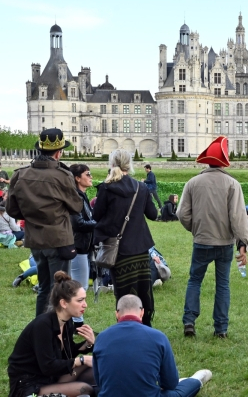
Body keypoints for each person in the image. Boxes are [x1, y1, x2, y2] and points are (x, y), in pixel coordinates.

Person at [179, 136, 248, 337]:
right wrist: (243, 244)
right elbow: (238, 217)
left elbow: (182, 214)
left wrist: (195, 228)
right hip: (224, 243)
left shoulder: (193, 182)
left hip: (202, 240)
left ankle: (189, 321)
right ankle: (221, 328)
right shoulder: (232, 184)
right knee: (223, 284)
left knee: (195, 280)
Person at [6, 127, 83, 316]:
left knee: (44, 288)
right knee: (60, 291)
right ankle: (56, 332)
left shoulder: (20, 174)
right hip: (58, 239)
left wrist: (34, 214)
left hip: (35, 239)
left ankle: (40, 329)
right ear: (58, 153)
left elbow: (12, 209)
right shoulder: (62, 175)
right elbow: (76, 207)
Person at [93, 295, 211, 397]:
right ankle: (198, 378)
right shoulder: (158, 337)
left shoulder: (101, 338)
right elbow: (170, 383)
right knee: (182, 389)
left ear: (117, 314)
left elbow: (99, 382)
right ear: (142, 312)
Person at [93, 149, 158, 326]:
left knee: (123, 292)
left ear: (112, 164)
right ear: (129, 165)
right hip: (140, 247)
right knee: (143, 290)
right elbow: (152, 214)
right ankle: (145, 325)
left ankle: (125, 325)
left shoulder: (106, 187)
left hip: (118, 250)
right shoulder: (141, 187)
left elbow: (96, 216)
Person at [8, 271, 96, 397]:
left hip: (50, 377)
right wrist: (82, 360)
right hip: (30, 383)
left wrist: (88, 344)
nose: (85, 305)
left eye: (85, 300)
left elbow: (67, 352)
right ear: (64, 303)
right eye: (80, 300)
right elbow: (48, 365)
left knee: (94, 371)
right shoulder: (43, 325)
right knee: (84, 389)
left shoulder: (67, 321)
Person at [69, 164, 97, 327]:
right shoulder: (76, 197)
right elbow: (78, 223)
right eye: (88, 174)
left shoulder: (82, 195)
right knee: (79, 287)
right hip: (77, 245)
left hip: (83, 246)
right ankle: (76, 324)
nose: (91, 176)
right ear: (77, 178)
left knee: (81, 285)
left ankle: (75, 323)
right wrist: (99, 223)